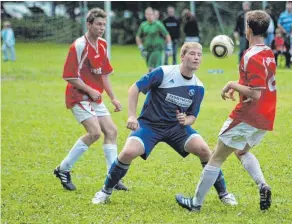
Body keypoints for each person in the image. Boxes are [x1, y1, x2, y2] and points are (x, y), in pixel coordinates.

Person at [91, 42, 237, 206]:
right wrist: (132, 116)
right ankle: (104, 191)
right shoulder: (164, 72)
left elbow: (192, 117)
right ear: (182, 56)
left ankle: (224, 194)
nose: (196, 57)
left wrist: (185, 120)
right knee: (127, 153)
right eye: (192, 54)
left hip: (176, 128)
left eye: (199, 55)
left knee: (205, 151)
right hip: (149, 125)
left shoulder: (198, 87)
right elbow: (134, 88)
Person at [175, 10, 276, 212]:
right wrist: (236, 86)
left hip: (248, 115)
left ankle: (195, 204)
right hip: (266, 115)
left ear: (248, 28)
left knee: (215, 158)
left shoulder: (250, 55)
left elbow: (255, 93)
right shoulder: (268, 52)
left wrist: (231, 83)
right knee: (241, 151)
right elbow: (258, 83)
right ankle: (263, 185)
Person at [54, 8, 127, 191]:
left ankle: (113, 177)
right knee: (95, 133)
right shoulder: (79, 45)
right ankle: (63, 169)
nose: (101, 28)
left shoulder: (102, 44)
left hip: (95, 97)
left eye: (104, 24)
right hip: (78, 95)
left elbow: (104, 74)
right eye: (98, 24)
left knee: (111, 131)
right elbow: (69, 76)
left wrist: (113, 98)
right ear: (89, 24)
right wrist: (90, 90)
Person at [136, 7, 172, 72]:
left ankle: (156, 81)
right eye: (147, 14)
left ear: (153, 14)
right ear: (145, 15)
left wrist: (169, 47)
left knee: (155, 68)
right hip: (148, 50)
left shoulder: (158, 24)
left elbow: (167, 35)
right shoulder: (143, 25)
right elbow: (138, 36)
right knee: (150, 68)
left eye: (150, 14)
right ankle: (153, 81)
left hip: (157, 49)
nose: (149, 16)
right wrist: (141, 47)